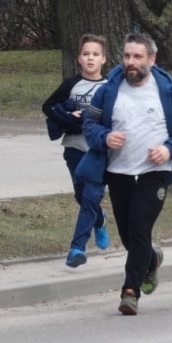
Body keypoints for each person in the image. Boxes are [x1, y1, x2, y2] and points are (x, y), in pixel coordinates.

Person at [80, 32, 172, 315]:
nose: (130, 62)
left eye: (137, 57)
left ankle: (130, 292)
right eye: (126, 56)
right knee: (129, 237)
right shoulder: (109, 91)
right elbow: (89, 124)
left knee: (140, 229)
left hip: (155, 173)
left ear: (151, 59)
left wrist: (169, 149)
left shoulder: (169, 92)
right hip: (118, 172)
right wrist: (105, 137)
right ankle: (151, 260)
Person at [41, 33, 111, 268]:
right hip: (74, 149)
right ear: (79, 58)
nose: (90, 58)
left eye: (95, 54)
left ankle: (76, 249)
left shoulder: (110, 87)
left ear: (103, 59)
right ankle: (99, 220)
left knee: (91, 196)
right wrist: (68, 115)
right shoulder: (71, 85)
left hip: (99, 152)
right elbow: (48, 106)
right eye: (86, 54)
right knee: (82, 197)